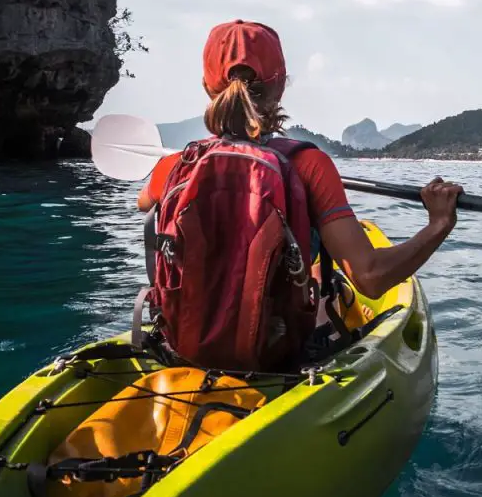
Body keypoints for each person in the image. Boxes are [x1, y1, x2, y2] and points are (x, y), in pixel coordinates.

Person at [135, 19, 461, 369]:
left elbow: (144, 202)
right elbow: (371, 277)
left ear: (206, 86)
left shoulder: (172, 166)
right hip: (274, 357)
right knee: (325, 284)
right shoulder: (309, 165)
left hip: (181, 348)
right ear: (280, 87)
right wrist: (438, 224)